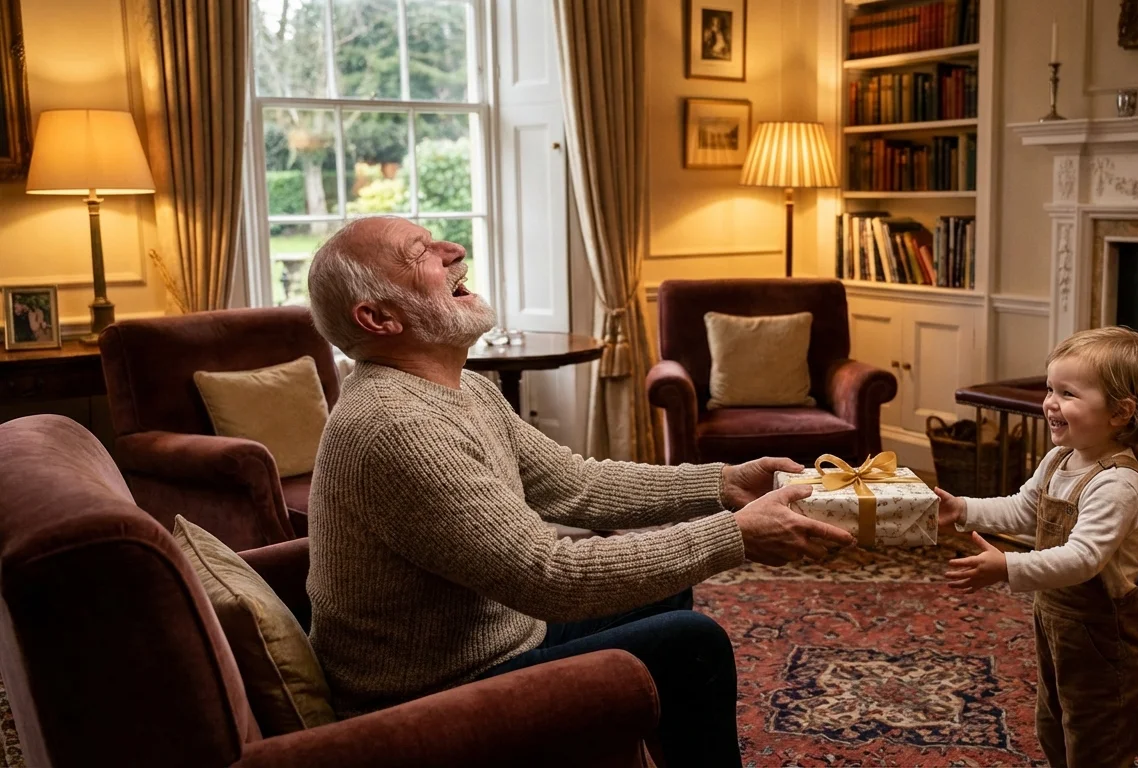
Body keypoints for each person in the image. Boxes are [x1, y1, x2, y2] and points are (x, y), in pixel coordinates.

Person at [304, 216, 854, 767]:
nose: (453, 250)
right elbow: (550, 578)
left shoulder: (463, 389)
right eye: (420, 251)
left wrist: (722, 482)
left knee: (664, 599)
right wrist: (735, 536)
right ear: (377, 318)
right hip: (427, 696)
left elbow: (576, 484)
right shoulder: (396, 426)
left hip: (502, 638)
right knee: (691, 642)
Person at [934, 326, 1138, 768]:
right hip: (1059, 630)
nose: (1050, 403)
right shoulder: (1060, 458)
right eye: (1049, 388)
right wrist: (962, 509)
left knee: (1099, 739)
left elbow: (1083, 558)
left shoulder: (1118, 484)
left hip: (1108, 645)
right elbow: (1024, 509)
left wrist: (1007, 567)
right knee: (1055, 726)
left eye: (1068, 393)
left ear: (1121, 412)